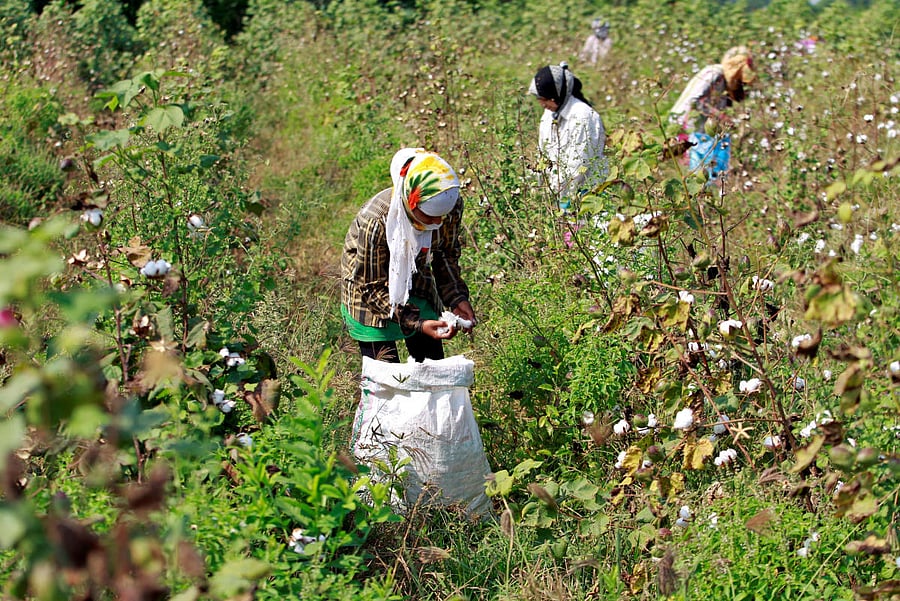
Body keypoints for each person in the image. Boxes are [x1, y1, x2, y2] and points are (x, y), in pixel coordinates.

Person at [340, 147, 476, 363]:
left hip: (416, 281)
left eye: (442, 217)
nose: (436, 223)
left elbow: (445, 254)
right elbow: (370, 286)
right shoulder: (377, 221)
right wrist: (418, 325)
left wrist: (456, 297)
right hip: (370, 296)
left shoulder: (448, 206)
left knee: (432, 370)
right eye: (429, 217)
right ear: (409, 202)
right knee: (386, 382)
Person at [528, 62, 606, 212]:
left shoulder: (583, 117)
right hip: (561, 194)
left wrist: (557, 192)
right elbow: (544, 153)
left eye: (545, 98)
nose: (542, 104)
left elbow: (579, 165)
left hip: (587, 194)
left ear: (557, 94)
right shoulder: (549, 116)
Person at [669, 46, 756, 134]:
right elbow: (695, 100)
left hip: (699, 130)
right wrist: (720, 116)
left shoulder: (725, 83)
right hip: (685, 123)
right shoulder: (714, 73)